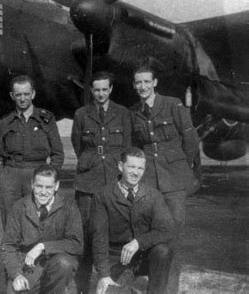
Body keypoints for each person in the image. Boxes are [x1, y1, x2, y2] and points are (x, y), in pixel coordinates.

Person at [71, 71, 131, 291]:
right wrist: (92, 161)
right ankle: (81, 286)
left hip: (113, 177)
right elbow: (78, 144)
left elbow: (127, 145)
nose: (100, 93)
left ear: (111, 89)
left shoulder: (123, 113)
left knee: (115, 231)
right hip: (89, 180)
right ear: (91, 91)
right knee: (86, 232)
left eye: (105, 89)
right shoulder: (81, 114)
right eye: (96, 89)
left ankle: (113, 282)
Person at [93, 147, 175, 294]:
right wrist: (104, 275)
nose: (136, 172)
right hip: (119, 259)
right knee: (111, 293)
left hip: (146, 257)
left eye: (140, 168)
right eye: (131, 167)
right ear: (120, 166)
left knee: (163, 251)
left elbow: (167, 229)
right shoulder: (103, 195)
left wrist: (138, 242)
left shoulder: (153, 195)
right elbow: (99, 237)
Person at [129, 65, 199, 230]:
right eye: (138, 83)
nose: (143, 87)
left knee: (175, 223)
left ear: (155, 83)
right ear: (133, 85)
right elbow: (135, 147)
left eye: (147, 82)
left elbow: (191, 139)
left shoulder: (173, 104)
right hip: (148, 178)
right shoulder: (133, 112)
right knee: (149, 224)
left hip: (174, 176)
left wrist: (181, 164)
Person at [0, 75, 64, 230]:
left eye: (26, 94)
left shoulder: (46, 119)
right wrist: (2, 176)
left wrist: (50, 178)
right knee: (11, 221)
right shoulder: (5, 122)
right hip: (11, 177)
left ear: (33, 94)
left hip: (37, 174)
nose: (22, 98)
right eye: (18, 94)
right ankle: (12, 253)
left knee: (38, 220)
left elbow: (57, 153)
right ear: (12, 96)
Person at [1, 164, 83, 294]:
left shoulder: (69, 207)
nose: (43, 192)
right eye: (39, 186)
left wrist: (43, 246)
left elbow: (76, 244)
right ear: (32, 184)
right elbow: (8, 246)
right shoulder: (19, 207)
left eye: (49, 187)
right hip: (28, 267)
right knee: (13, 291)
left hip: (56, 265)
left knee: (64, 263)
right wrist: (16, 275)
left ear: (56, 186)